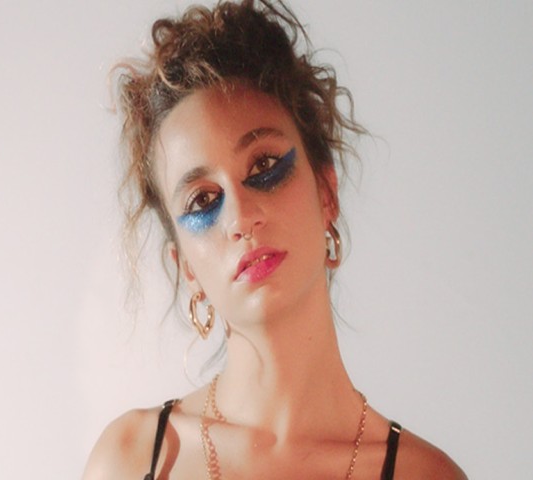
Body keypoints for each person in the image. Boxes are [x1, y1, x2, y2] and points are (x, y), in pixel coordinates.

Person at [83, 1, 467, 478]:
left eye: (263, 166)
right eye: (203, 200)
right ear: (185, 266)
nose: (241, 217)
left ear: (326, 192)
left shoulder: (424, 475)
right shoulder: (134, 459)